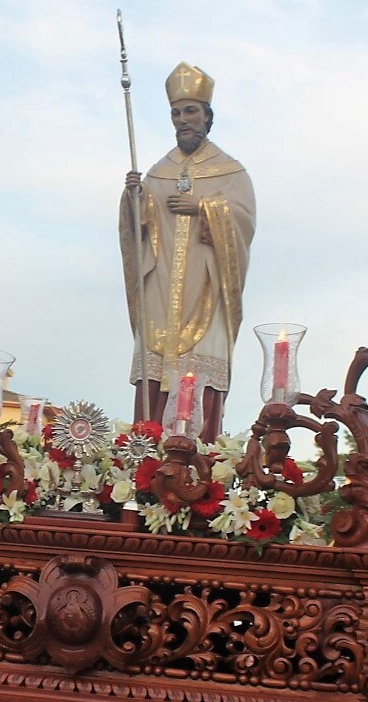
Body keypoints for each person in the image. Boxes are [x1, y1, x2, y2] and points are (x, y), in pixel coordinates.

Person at [120, 62, 254, 443]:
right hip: (161, 291)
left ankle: (199, 455)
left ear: (208, 117)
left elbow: (244, 222)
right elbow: (139, 230)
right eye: (176, 113)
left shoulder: (231, 171)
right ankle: (143, 454)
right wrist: (134, 200)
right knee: (154, 372)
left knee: (200, 368)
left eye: (191, 111)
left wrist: (206, 208)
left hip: (207, 290)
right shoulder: (158, 171)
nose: (183, 120)